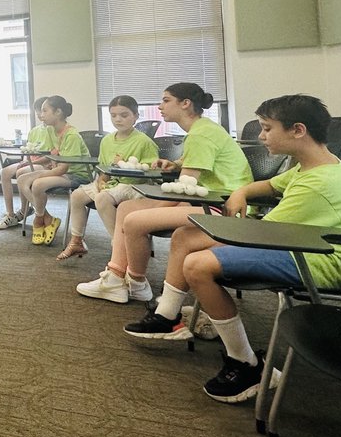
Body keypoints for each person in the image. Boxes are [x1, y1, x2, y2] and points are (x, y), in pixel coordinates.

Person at [123, 94, 341, 403]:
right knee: (185, 237)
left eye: (267, 128)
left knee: (198, 265)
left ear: (298, 130)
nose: (261, 136)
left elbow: (257, 233)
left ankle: (245, 363)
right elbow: (269, 186)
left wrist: (221, 222)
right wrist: (242, 191)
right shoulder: (309, 166)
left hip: (316, 260)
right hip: (292, 245)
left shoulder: (320, 182)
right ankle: (168, 318)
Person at [76, 82, 252, 303]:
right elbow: (195, 168)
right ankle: (117, 277)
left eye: (166, 100)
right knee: (128, 207)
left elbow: (185, 189)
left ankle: (135, 280)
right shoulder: (202, 129)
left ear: (186, 104)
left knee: (135, 219)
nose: (160, 106)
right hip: (208, 198)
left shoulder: (201, 135)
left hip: (220, 206)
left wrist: (158, 206)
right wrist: (176, 164)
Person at [58, 95, 159, 261]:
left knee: (102, 198)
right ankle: (77, 241)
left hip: (134, 186)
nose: (118, 119)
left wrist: (124, 167)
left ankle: (120, 246)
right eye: (113, 115)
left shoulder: (144, 142)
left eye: (124, 115)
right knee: (77, 196)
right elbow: (104, 168)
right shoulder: (107, 141)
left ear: (136, 116)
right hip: (112, 184)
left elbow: (149, 172)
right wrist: (101, 180)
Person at [15, 95, 92, 246]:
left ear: (58, 112)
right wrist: (38, 167)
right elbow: (53, 155)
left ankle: (38, 220)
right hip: (61, 171)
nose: (41, 115)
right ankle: (48, 218)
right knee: (22, 179)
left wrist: (38, 174)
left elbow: (64, 167)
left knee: (37, 184)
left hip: (77, 175)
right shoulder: (50, 130)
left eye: (44, 111)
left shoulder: (72, 135)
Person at [0, 97, 55, 230]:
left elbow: (52, 155)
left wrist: (29, 163)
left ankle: (23, 210)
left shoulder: (53, 131)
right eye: (38, 112)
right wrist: (25, 161)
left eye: (43, 111)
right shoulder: (34, 131)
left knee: (21, 172)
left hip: (44, 164)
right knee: (4, 172)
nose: (40, 115)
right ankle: (10, 214)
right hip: (31, 161)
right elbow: (29, 149)